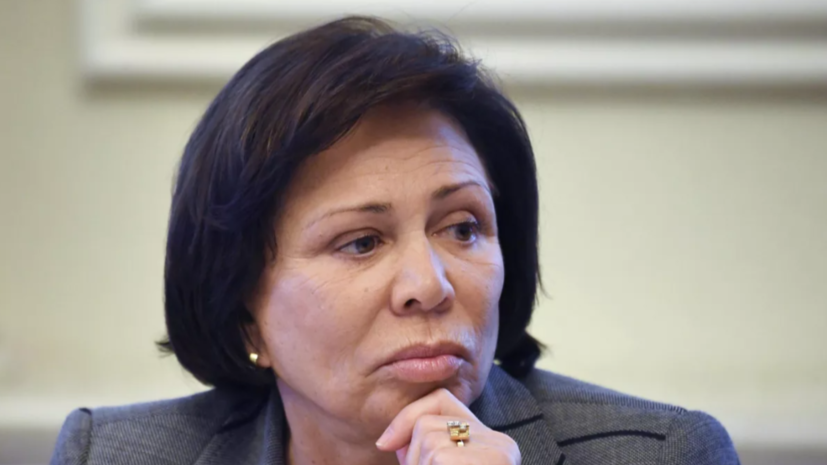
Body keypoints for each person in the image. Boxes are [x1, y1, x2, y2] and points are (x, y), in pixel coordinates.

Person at [50, 16, 740, 465]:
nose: (429, 285)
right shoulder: (109, 454)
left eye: (462, 227)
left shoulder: (663, 453)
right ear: (243, 306)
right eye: (361, 242)